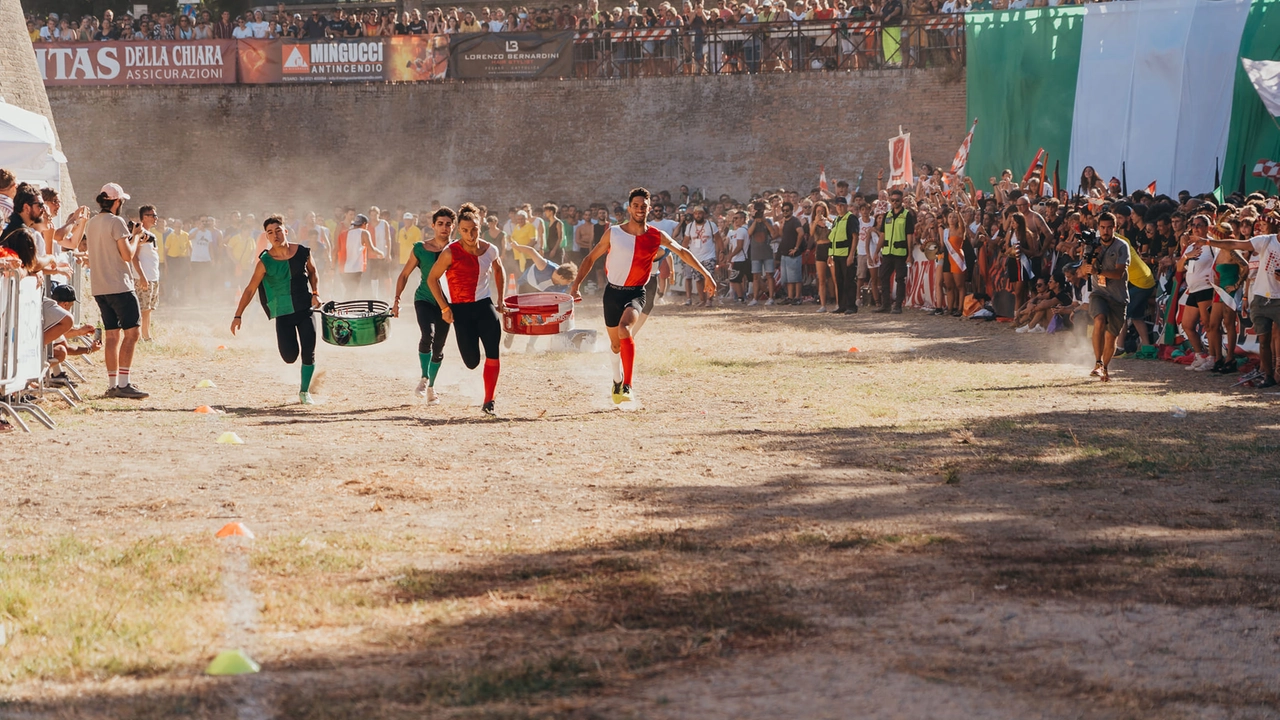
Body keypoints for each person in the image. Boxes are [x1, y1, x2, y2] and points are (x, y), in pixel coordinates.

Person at [569, 187, 716, 404]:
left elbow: (682, 252)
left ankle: (627, 386)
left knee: (625, 330)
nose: (640, 209)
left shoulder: (657, 236)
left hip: (637, 292)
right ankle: (617, 380)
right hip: (612, 293)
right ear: (629, 208)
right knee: (615, 345)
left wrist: (707, 275)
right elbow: (590, 259)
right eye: (636, 206)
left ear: (648, 209)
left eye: (643, 206)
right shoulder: (614, 232)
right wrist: (575, 286)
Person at [230, 215, 322, 405]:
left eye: (278, 230)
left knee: (309, 351)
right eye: (270, 233)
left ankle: (304, 392)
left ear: (285, 231)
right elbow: (249, 289)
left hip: (305, 308)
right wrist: (238, 315)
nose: (275, 235)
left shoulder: (303, 252)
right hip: (283, 313)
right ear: (267, 237)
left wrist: (315, 292)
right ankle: (301, 374)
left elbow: (313, 272)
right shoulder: (265, 262)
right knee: (289, 356)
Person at [426, 203, 505, 416]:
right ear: (459, 230)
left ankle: (489, 401)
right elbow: (432, 279)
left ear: (481, 227)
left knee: (493, 353)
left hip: (484, 306)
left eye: (474, 229)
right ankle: (483, 383)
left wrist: (501, 299)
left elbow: (499, 269)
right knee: (471, 362)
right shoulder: (450, 252)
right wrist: (444, 308)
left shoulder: (490, 249)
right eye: (465, 230)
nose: (470, 234)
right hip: (460, 310)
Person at [84, 183, 149, 399]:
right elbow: (127, 255)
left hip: (100, 287)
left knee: (112, 335)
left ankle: (113, 384)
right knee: (133, 333)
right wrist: (137, 236)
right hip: (119, 285)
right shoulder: (116, 221)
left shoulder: (92, 223)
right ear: (117, 201)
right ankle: (124, 383)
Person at [1206, 214, 1280, 388]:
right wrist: (1207, 242)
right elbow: (1234, 244)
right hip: (1260, 297)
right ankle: (1268, 375)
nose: (1260, 227)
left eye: (1264, 224)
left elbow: (1243, 263)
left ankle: (1275, 371)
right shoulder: (1265, 241)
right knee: (1263, 341)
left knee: (1275, 338)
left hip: (1277, 298)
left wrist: (1237, 286)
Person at [392, 206, 455, 404]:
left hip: (447, 304)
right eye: (440, 224)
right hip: (424, 299)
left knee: (439, 347)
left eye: (448, 224)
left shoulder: (458, 249)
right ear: (432, 225)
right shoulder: (420, 248)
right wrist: (396, 300)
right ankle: (424, 378)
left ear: (453, 227)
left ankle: (432, 388)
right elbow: (404, 274)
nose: (444, 228)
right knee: (428, 334)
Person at [1083, 212, 1129, 383]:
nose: (1105, 231)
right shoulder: (1091, 246)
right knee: (1099, 320)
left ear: (1115, 228)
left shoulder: (1121, 246)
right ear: (1098, 228)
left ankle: (1105, 367)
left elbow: (1119, 273)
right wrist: (1091, 258)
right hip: (1099, 293)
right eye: (1102, 227)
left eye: (1109, 227)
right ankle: (1097, 361)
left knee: (1111, 337)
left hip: (1118, 297)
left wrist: (1098, 271)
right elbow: (1083, 270)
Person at [43, 283, 100, 388]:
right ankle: (36, 376)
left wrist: (79, 331)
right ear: (65, 304)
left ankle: (55, 375)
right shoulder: (58, 319)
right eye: (71, 306)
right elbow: (66, 349)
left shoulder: (48, 312)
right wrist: (90, 349)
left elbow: (61, 337)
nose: (70, 309)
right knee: (60, 352)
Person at [876, 187, 914, 314]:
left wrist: (910, 253)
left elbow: (910, 235)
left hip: (900, 252)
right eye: (892, 200)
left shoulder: (906, 215)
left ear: (901, 201)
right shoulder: (887, 215)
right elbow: (882, 234)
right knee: (883, 277)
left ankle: (898, 305)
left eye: (897, 200)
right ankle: (885, 304)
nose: (895, 202)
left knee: (900, 279)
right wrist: (876, 252)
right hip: (887, 251)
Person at [134, 205, 161, 341]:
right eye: (153, 215)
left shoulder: (152, 235)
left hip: (153, 277)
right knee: (142, 308)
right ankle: (141, 336)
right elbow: (134, 257)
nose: (156, 218)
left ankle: (146, 335)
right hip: (144, 277)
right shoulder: (140, 233)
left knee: (148, 308)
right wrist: (142, 276)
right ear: (145, 217)